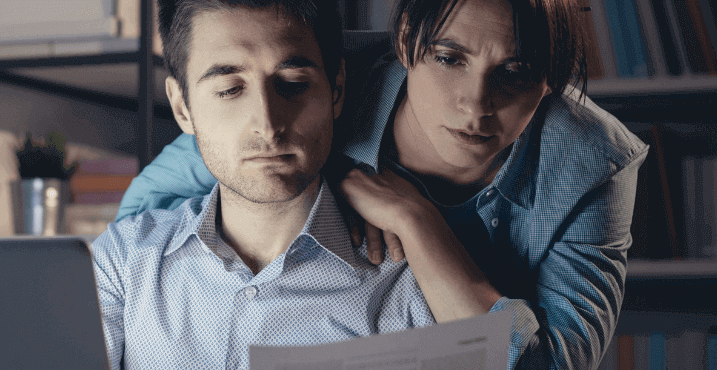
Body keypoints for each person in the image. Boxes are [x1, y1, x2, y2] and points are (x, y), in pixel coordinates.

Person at [119, 0, 649, 368]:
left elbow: (551, 365)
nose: (476, 104)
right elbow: (154, 210)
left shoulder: (593, 162)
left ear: (550, 77)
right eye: (448, 58)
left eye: (515, 70)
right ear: (405, 42)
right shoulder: (305, 82)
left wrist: (416, 221)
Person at [91, 1, 435, 369]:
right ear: (182, 107)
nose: (268, 125)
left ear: (336, 90)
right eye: (228, 90)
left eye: (294, 84)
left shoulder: (406, 284)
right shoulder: (124, 262)